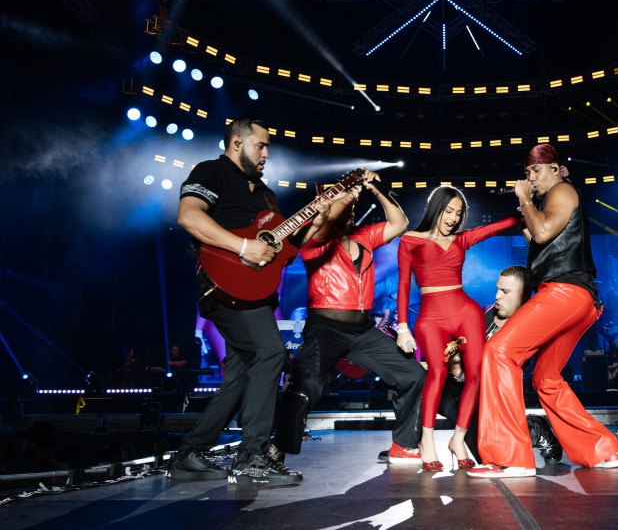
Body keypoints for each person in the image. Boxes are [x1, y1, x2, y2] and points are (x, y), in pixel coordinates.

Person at [166, 117, 329, 485]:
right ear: (237, 143)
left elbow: (286, 249)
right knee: (272, 352)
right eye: (261, 145)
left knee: (241, 374)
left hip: (255, 294)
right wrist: (242, 246)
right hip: (222, 286)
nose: (267, 154)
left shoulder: (265, 195)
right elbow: (188, 216)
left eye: (268, 147)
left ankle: (190, 453)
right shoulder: (212, 172)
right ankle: (251, 458)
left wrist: (316, 220)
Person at [469, 144, 618, 479]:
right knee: (545, 378)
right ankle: (602, 449)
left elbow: (542, 231)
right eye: (526, 174)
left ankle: (510, 458)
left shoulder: (564, 190)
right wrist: (525, 209)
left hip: (564, 293)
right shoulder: (550, 202)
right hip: (576, 299)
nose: (530, 178)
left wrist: (525, 200)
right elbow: (537, 240)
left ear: (555, 169)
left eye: (535, 171)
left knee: (498, 352)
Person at [274, 170, 426, 465]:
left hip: (363, 330)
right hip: (324, 328)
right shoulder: (313, 240)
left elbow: (400, 223)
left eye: (354, 207)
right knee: (307, 386)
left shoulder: (365, 237)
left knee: (412, 374)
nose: (351, 210)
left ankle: (402, 445)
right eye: (345, 205)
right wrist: (349, 192)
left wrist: (375, 188)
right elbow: (324, 223)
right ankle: (277, 450)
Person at [395, 186, 522, 471]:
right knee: (437, 374)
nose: (453, 218)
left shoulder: (461, 240)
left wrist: (527, 204)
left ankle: (458, 439)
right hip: (431, 317)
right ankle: (426, 440)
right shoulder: (410, 240)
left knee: (476, 374)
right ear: (435, 208)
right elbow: (404, 285)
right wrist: (403, 327)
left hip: (466, 311)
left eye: (459, 213)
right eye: (448, 211)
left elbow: (499, 226)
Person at [436, 265, 563, 467]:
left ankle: (534, 428)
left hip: (492, 401)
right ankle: (407, 445)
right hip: (466, 391)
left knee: (491, 455)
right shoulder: (485, 316)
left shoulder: (525, 327)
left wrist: (461, 372)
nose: (497, 296)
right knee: (421, 381)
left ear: (523, 296)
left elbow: (496, 375)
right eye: (497, 289)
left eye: (505, 292)